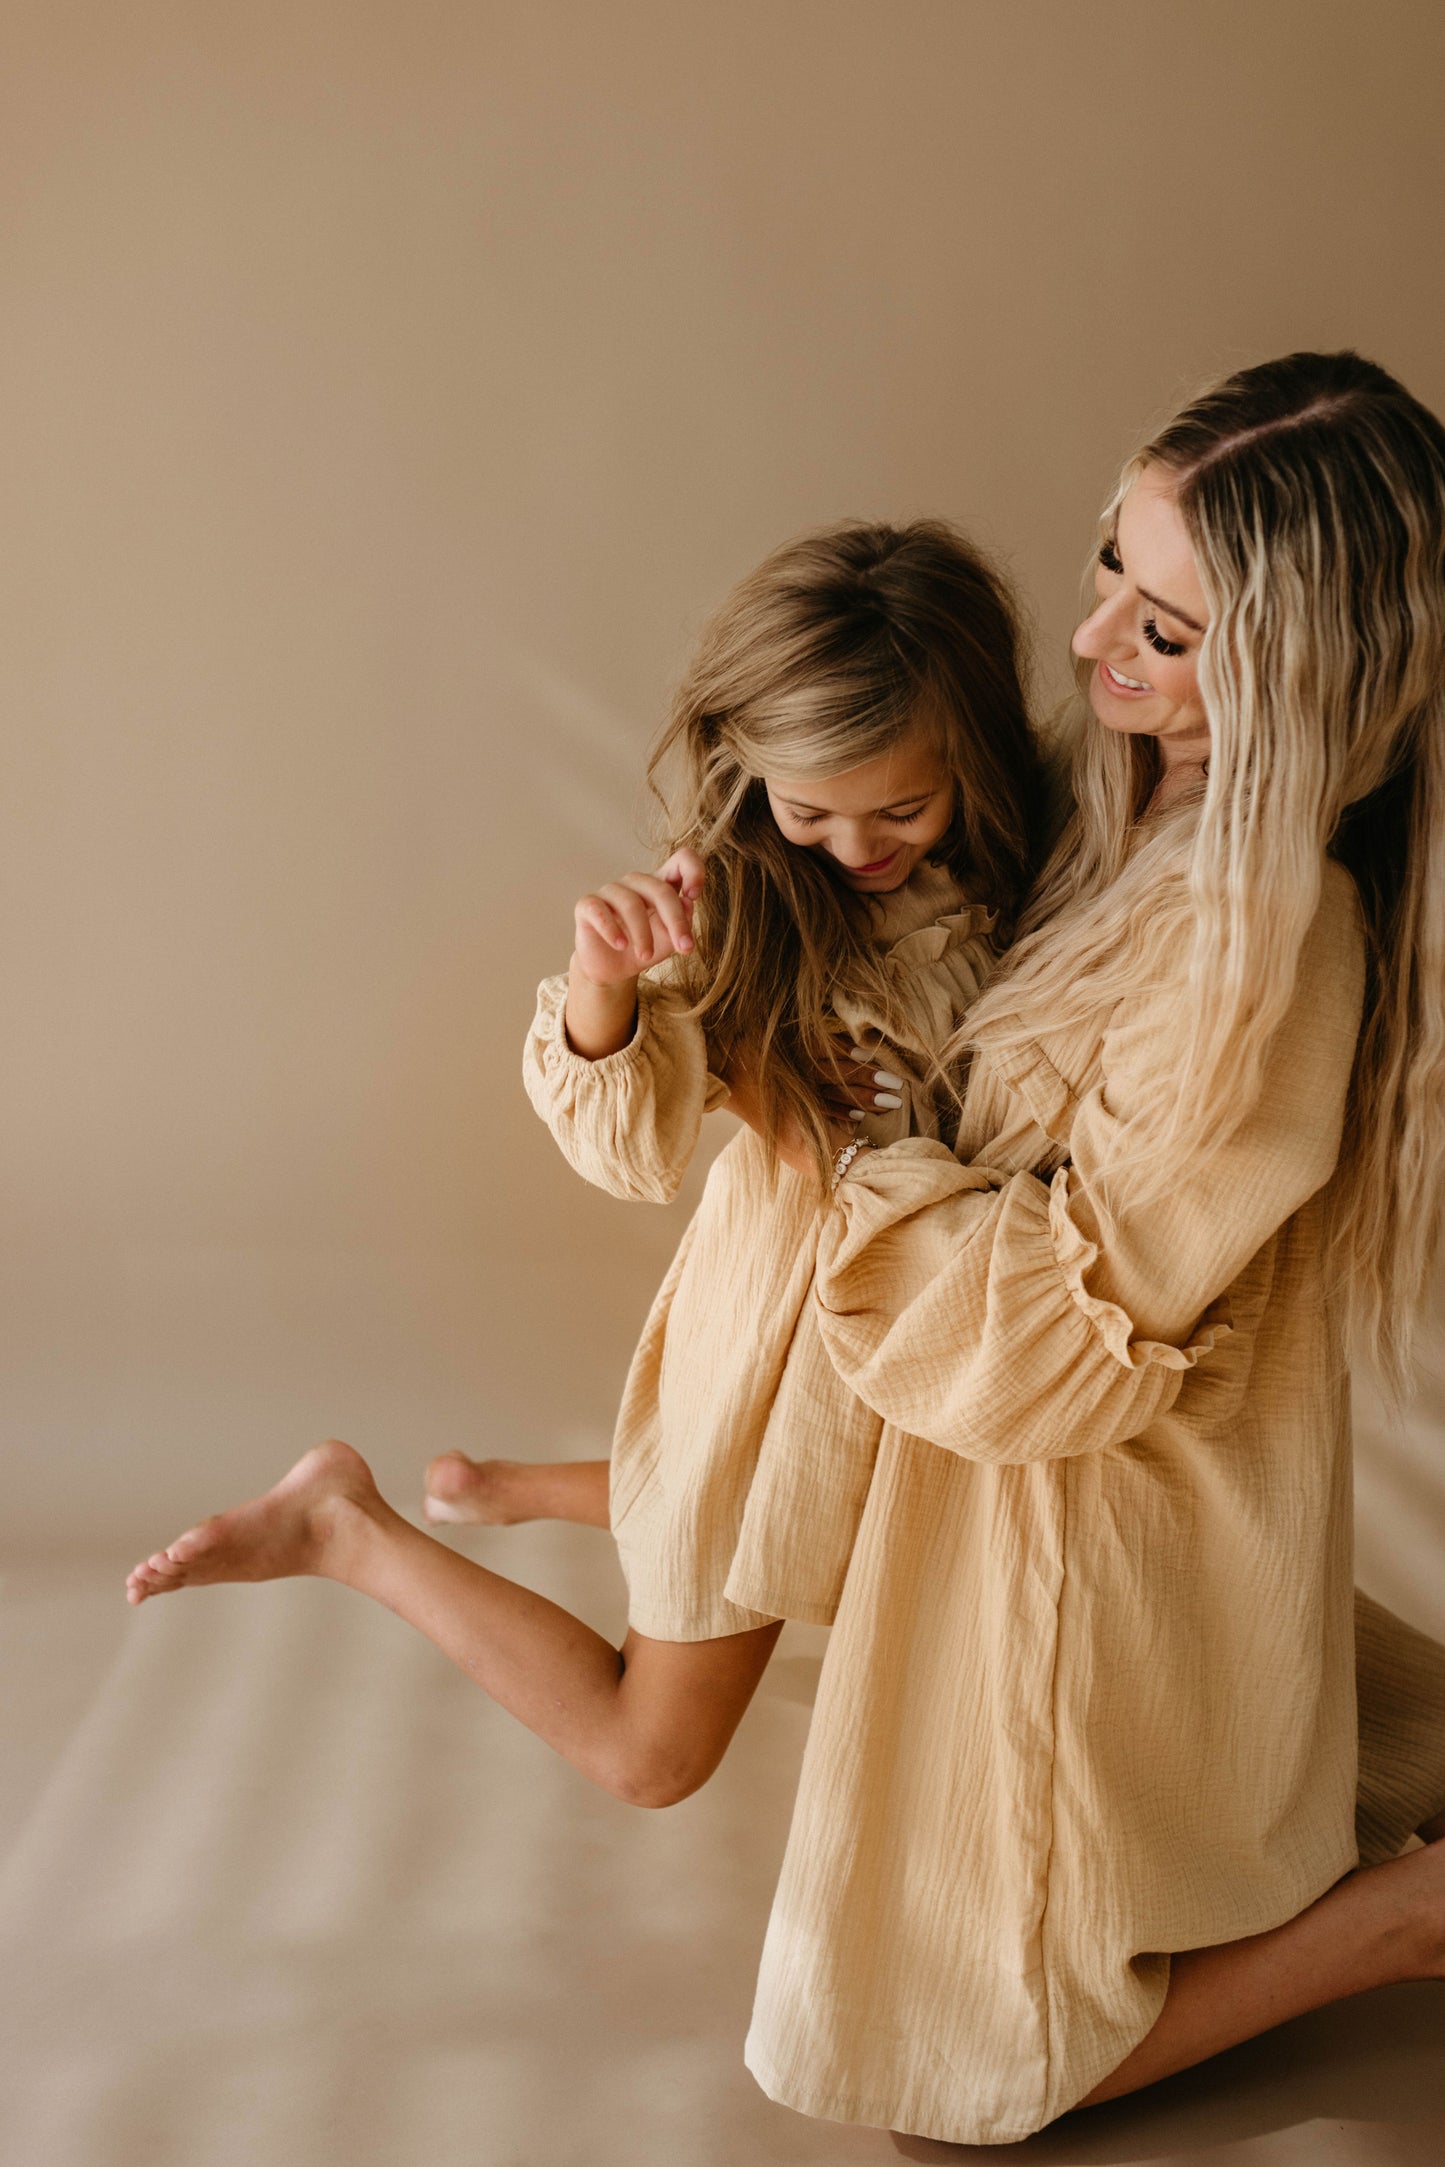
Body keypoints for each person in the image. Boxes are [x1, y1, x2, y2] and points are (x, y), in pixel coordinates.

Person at [730, 351, 1445, 2145]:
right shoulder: (1128, 812)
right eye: (1106, 567)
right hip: (1022, 1492)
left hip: (1076, 1507)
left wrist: (860, 1158)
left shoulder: (1259, 951)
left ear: (1302, 668)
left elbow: (1054, 1339)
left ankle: (1390, 1927)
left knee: (937, 2092)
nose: (1094, 641)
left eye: (1172, 629)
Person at [123, 518, 1046, 1809]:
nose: (851, 845)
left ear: (975, 754)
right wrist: (607, 987)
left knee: (926, 1553)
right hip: (789, 1357)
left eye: (899, 806)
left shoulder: (1033, 875)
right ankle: (349, 1528)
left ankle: (506, 1486)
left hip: (972, 1326)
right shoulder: (739, 898)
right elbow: (629, 1147)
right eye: (808, 810)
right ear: (752, 774)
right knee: (649, 1754)